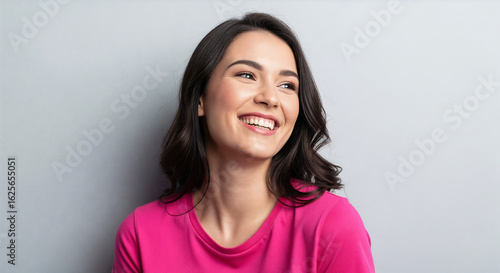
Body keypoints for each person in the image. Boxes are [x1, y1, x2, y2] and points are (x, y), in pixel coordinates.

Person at [113, 12, 375, 273]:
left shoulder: (331, 226)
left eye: (287, 85)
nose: (270, 98)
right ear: (200, 99)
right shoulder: (140, 234)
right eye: (247, 75)